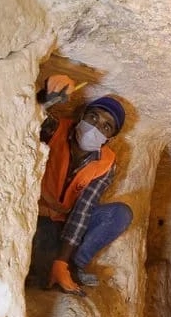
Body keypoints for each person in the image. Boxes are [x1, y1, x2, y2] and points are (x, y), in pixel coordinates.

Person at [29, 74, 132, 296]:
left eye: (106, 127)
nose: (96, 127)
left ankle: (74, 264)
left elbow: (83, 210)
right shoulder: (55, 130)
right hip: (39, 213)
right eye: (93, 118)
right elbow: (29, 117)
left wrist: (62, 261)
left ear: (110, 138)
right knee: (41, 272)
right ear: (81, 116)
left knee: (120, 214)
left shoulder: (107, 163)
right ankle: (52, 265)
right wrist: (46, 96)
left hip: (69, 217)